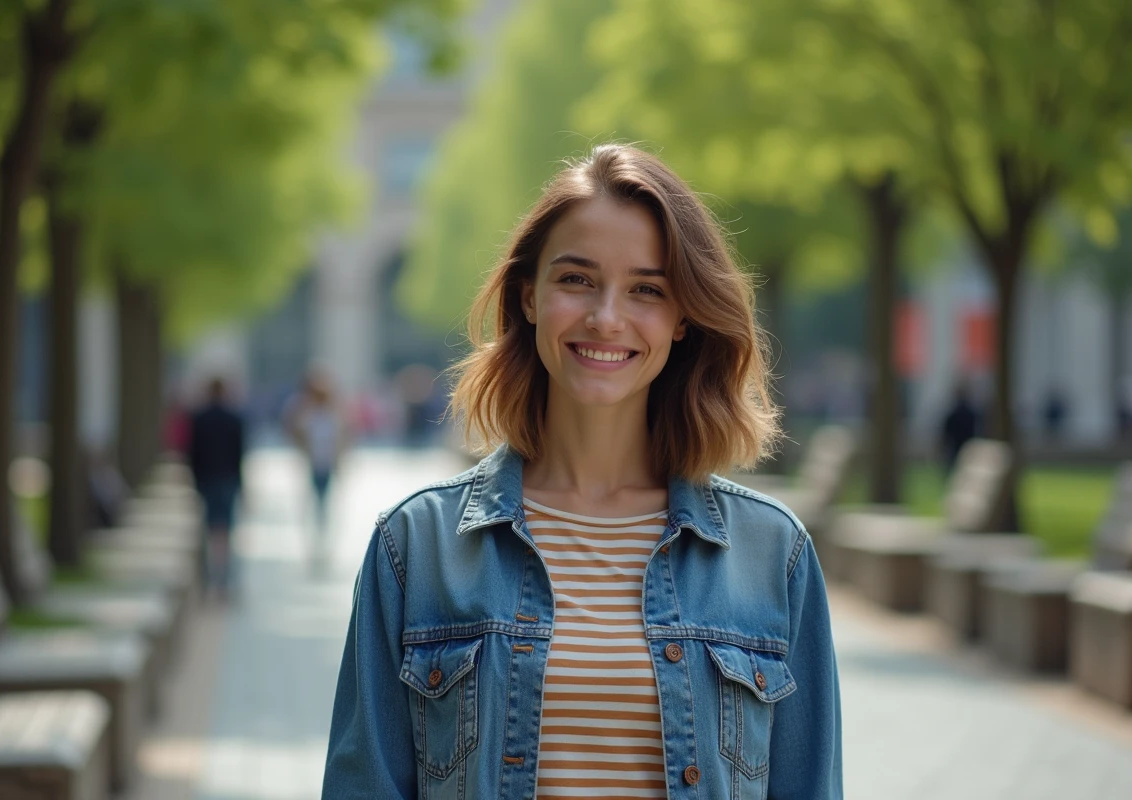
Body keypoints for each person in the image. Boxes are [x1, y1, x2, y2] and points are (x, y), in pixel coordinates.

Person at [321, 145, 842, 799]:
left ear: (683, 318)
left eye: (646, 289)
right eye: (576, 279)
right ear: (529, 297)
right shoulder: (417, 546)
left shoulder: (772, 554)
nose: (606, 316)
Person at [187, 377, 245, 601]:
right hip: (228, 480)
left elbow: (192, 454)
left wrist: (196, 481)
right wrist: (242, 486)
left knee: (210, 532)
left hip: (207, 481)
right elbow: (239, 456)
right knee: (226, 533)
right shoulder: (234, 418)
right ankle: (224, 583)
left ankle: (209, 582)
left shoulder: (199, 418)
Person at [285, 371, 347, 545]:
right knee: (314, 500)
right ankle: (315, 535)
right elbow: (296, 435)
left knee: (323, 500)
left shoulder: (331, 415)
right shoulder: (308, 415)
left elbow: (340, 441)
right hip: (313, 463)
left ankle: (322, 534)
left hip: (325, 463)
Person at [940, 379, 979, 475]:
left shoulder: (953, 413)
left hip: (955, 446)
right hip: (968, 446)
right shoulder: (971, 413)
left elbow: (946, 431)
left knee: (955, 471)